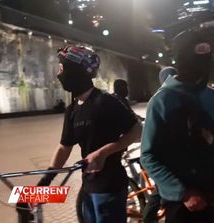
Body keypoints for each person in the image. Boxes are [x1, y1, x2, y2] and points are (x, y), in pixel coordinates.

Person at [37, 45, 142, 223]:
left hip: (110, 187)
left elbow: (137, 130)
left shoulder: (105, 101)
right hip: (88, 186)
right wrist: (47, 179)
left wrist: (104, 152)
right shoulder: (72, 110)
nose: (59, 75)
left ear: (75, 72)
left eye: (62, 69)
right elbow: (64, 146)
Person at [140, 29, 214, 223]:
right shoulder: (162, 101)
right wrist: (182, 193)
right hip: (180, 206)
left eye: (207, 55)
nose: (203, 63)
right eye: (197, 55)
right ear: (182, 58)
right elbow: (148, 156)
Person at [141, 66, 178, 223]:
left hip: (97, 179)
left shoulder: (161, 98)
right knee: (158, 192)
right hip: (165, 160)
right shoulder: (161, 99)